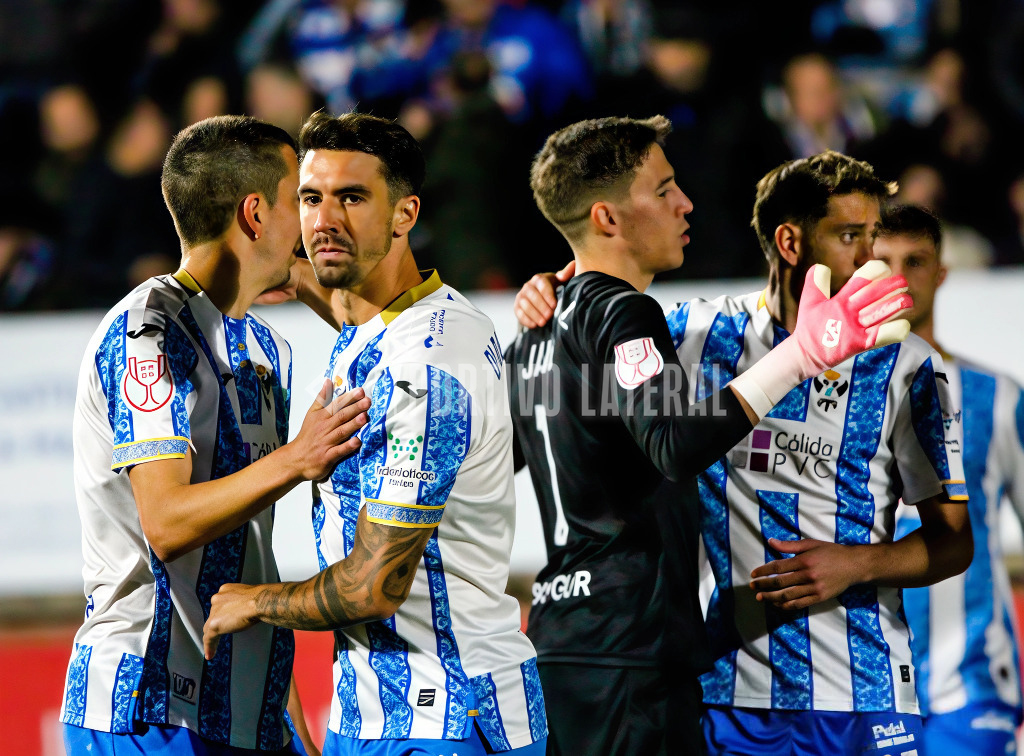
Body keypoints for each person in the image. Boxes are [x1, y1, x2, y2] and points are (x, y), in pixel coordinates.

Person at [512, 145, 973, 756]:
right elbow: (597, 334)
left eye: (874, 236)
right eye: (850, 236)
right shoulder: (692, 336)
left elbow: (953, 542)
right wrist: (553, 291)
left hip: (863, 691)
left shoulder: (908, 366)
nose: (871, 258)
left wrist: (857, 564)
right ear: (790, 243)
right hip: (726, 692)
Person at [202, 111, 547, 756]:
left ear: (405, 214)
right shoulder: (393, 321)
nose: (324, 220)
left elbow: (373, 587)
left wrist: (256, 602)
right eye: (311, 198)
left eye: (353, 198)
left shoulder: (426, 368)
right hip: (372, 712)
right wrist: (295, 275)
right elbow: (354, 314)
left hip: (446, 715)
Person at [59, 114, 371, 756]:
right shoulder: (148, 335)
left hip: (243, 713)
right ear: (255, 214)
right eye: (300, 199)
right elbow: (166, 522)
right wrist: (298, 458)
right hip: (148, 711)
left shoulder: (264, 348)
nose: (311, 221)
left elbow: (244, 555)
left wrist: (284, 723)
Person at [878, 204, 1024, 756]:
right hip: (864, 687)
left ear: (941, 273)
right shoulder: (829, 399)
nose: (898, 278)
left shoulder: (997, 397)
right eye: (883, 262)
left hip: (973, 685)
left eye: (914, 261)